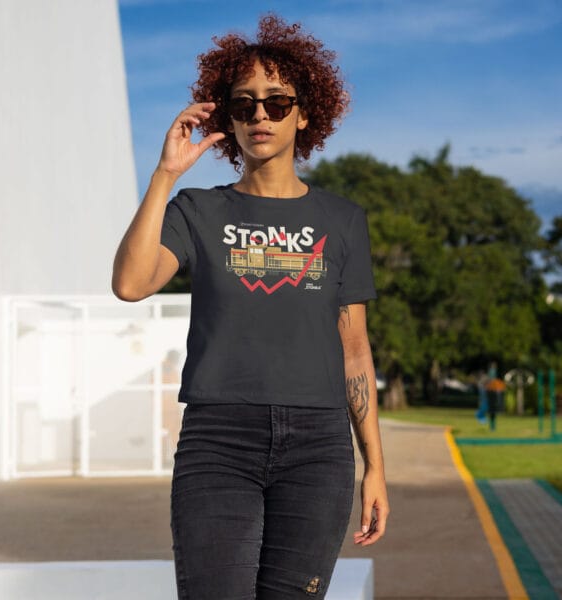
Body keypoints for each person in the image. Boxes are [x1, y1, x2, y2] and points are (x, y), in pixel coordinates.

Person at [112, 13, 389, 599]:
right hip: (218, 440)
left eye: (277, 101)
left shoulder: (342, 220)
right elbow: (131, 284)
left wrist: (376, 467)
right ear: (229, 118)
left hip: (318, 446)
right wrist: (164, 175)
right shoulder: (197, 209)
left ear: (305, 114)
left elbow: (355, 351)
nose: (260, 114)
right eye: (244, 104)